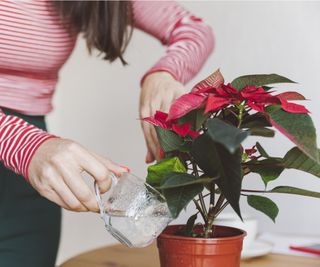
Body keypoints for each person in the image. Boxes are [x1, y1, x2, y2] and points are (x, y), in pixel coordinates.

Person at [0, 1, 214, 266]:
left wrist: (164, 73)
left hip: (27, 181)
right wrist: (22, 144)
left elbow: (195, 30)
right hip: (30, 149)